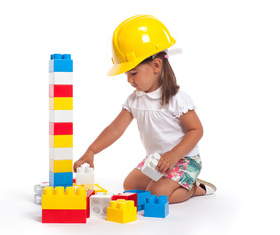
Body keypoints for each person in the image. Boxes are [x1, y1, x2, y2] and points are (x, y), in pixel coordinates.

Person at [73, 15, 216, 203]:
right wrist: (91, 151)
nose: (129, 79)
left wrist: (173, 156)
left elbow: (196, 130)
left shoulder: (176, 99)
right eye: (126, 74)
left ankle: (194, 188)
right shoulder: (135, 100)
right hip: (157, 160)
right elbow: (116, 128)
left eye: (133, 73)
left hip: (184, 160)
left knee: (157, 194)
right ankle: (177, 183)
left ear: (156, 65)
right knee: (130, 186)